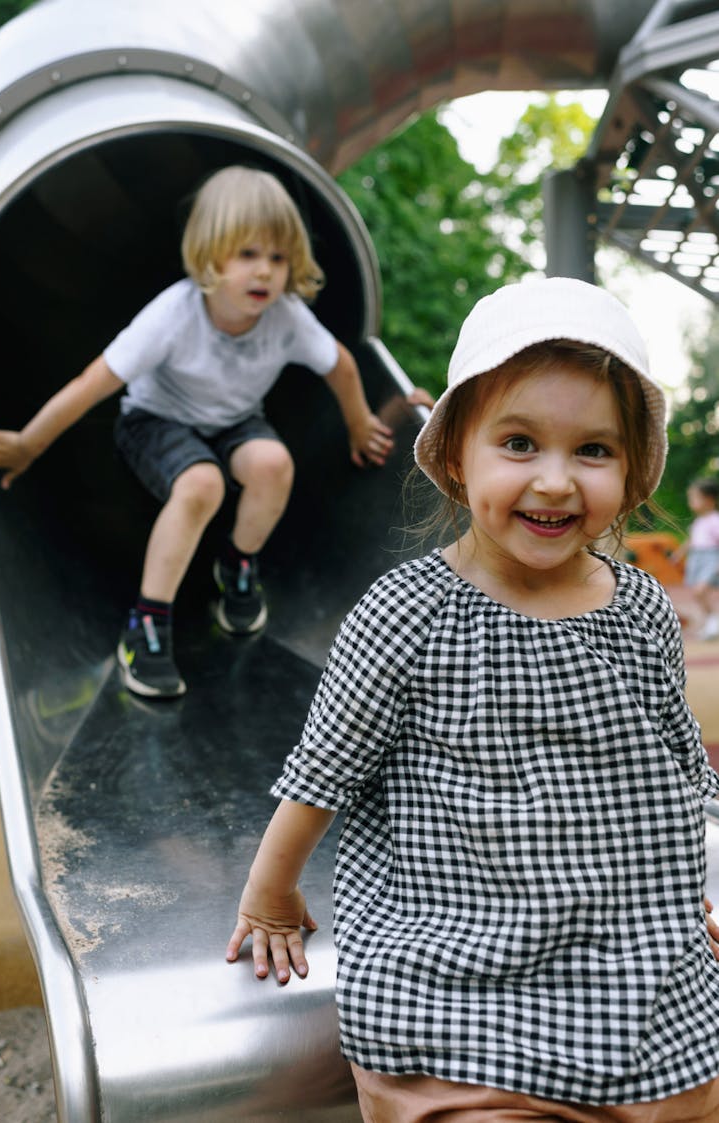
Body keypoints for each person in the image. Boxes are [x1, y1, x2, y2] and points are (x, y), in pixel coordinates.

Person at [226, 277, 719, 1123]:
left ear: (634, 469)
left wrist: (704, 873)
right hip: (457, 974)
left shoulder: (638, 606)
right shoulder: (408, 612)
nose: (556, 481)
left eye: (593, 450)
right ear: (458, 456)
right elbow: (323, 773)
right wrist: (270, 894)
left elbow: (676, 758)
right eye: (520, 443)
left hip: (630, 961)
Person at [0, 165, 394, 699]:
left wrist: (360, 426)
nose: (264, 271)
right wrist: (27, 444)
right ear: (210, 255)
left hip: (235, 419)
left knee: (272, 465)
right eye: (248, 254)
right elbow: (92, 383)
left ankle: (237, 568)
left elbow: (342, 366)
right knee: (202, 485)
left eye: (278, 257)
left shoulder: (285, 316)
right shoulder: (174, 314)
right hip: (156, 418)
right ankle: (145, 629)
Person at [671, 478, 719, 640]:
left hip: (710, 557)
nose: (691, 502)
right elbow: (692, 540)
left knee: (700, 591)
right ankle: (710, 622)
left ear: (709, 500)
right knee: (696, 592)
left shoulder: (715, 520)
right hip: (696, 557)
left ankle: (713, 620)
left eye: (695, 498)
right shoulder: (698, 522)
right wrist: (679, 553)